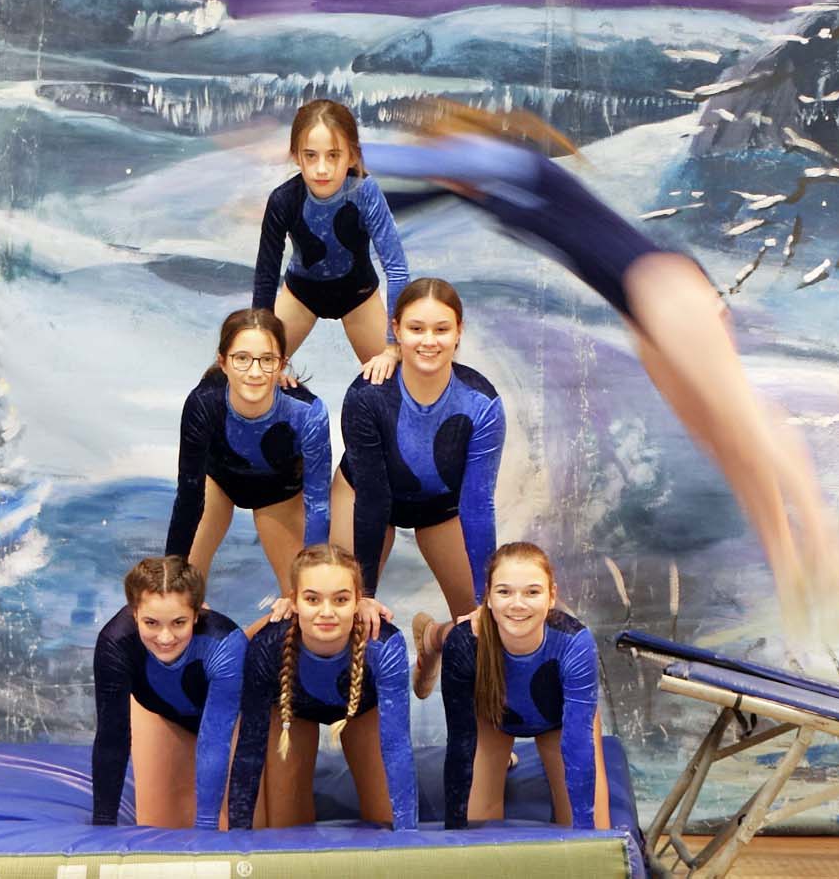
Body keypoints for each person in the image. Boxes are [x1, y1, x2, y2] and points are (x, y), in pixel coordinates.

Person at [366, 99, 839, 629]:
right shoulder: (485, 190)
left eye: (443, 159)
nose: (444, 175)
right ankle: (786, 560)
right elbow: (401, 203)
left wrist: (330, 150)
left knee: (744, 421)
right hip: (643, 311)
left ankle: (822, 537)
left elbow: (417, 166)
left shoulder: (513, 164)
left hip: (662, 286)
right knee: (724, 441)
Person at [334, 277, 503, 692]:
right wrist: (364, 592)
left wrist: (484, 598)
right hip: (362, 495)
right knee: (343, 610)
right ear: (396, 330)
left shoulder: (481, 403)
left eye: (441, 329)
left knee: (484, 629)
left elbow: (477, 504)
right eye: (416, 328)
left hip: (441, 507)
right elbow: (372, 498)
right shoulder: (368, 395)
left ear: (459, 332)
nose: (429, 341)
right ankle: (347, 714)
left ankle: (434, 639)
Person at [228, 544, 418, 830]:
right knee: (285, 831)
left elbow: (397, 747)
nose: (326, 612)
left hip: (363, 709)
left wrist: (408, 835)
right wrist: (237, 836)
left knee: (390, 821)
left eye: (341, 599)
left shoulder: (381, 644)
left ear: (358, 601)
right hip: (292, 709)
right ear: (294, 601)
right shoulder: (269, 646)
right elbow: (249, 751)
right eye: (312, 599)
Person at [439, 542, 607, 830]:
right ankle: (433, 635)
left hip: (560, 720)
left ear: (551, 596)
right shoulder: (464, 643)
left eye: (532, 592)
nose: (518, 604)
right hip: (493, 716)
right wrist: (456, 837)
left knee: (587, 826)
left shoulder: (574, 643)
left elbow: (578, 746)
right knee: (476, 830)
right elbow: (459, 745)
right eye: (504, 592)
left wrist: (588, 840)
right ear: (488, 597)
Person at [166, 309, 331, 590]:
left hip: (278, 492)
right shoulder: (203, 403)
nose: (255, 372)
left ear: (282, 364)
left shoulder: (307, 413)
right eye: (242, 358)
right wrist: (171, 576)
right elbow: (189, 497)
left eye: (267, 360)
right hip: (218, 483)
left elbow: (318, 505)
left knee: (304, 593)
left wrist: (316, 579)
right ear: (223, 362)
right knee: (181, 588)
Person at [254, 100, 409, 384]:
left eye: (333, 155)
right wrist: (261, 351)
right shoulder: (284, 200)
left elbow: (397, 270)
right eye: (311, 156)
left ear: (352, 156)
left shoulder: (364, 192)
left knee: (397, 380)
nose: (321, 169)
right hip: (301, 295)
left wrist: (392, 347)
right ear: (296, 156)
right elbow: (266, 277)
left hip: (358, 295)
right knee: (253, 370)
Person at [91, 556, 245, 829]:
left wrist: (206, 829)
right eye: (151, 623)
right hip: (162, 714)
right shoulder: (115, 643)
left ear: (197, 614)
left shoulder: (224, 643)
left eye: (178, 622)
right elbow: (111, 737)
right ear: (134, 613)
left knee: (234, 825)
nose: (165, 637)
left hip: (231, 721)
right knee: (158, 831)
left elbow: (215, 739)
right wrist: (102, 826)